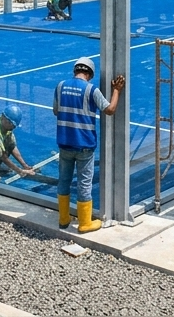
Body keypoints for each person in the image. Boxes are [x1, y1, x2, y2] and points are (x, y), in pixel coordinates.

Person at [54, 57, 125, 233]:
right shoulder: (91, 90)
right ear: (90, 74)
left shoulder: (60, 86)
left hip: (64, 142)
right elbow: (109, 110)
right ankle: (85, 223)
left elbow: (56, 111)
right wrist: (116, 91)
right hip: (84, 144)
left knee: (64, 180)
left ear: (75, 70)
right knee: (84, 184)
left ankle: (63, 218)